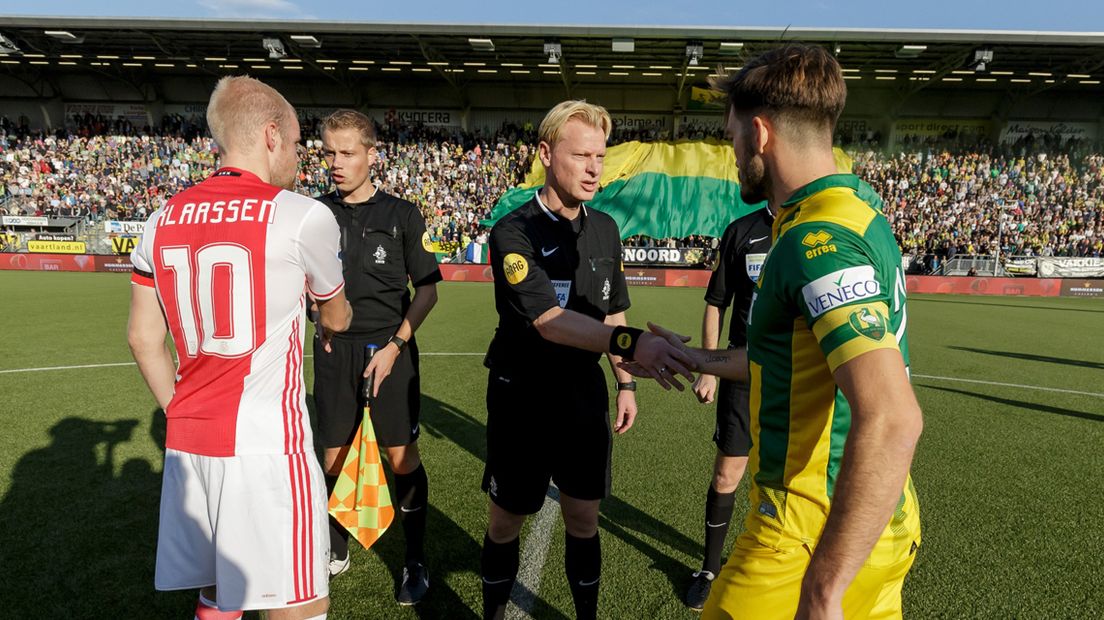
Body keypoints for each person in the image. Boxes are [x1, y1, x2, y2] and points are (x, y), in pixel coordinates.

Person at [623, 45, 924, 620]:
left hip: (807, 534)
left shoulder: (818, 240)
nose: (732, 152)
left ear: (760, 134)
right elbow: (788, 357)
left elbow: (894, 418)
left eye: (732, 135)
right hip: (882, 525)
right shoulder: (859, 211)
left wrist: (823, 589)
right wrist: (696, 359)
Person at [127, 76, 352, 620]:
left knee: (218, 590)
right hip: (268, 441)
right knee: (299, 599)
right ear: (271, 136)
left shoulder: (160, 220)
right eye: (298, 145)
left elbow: (143, 339)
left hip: (189, 439)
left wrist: (177, 410)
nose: (301, 159)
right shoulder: (302, 215)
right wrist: (318, 310)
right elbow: (338, 316)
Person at [478, 100, 695, 620]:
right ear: (547, 154)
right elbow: (550, 321)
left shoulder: (605, 228)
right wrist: (633, 347)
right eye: (582, 155)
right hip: (521, 395)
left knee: (583, 518)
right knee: (506, 521)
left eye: (600, 155)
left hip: (581, 396)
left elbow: (614, 311)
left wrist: (626, 384)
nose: (596, 168)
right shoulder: (514, 232)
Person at [311, 109, 442, 605]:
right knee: (333, 456)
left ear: (371, 154)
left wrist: (396, 345)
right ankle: (335, 549)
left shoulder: (403, 214)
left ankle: (414, 560)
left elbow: (427, 290)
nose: (336, 163)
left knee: (401, 457)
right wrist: (314, 315)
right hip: (332, 351)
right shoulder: (314, 214)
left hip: (390, 350)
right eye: (329, 152)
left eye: (347, 153)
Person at [684, 206, 773, 610]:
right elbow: (716, 302)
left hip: (797, 379)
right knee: (726, 475)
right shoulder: (742, 231)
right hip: (741, 373)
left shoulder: (812, 222)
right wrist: (709, 369)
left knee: (791, 478)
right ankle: (709, 569)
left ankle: (779, 565)